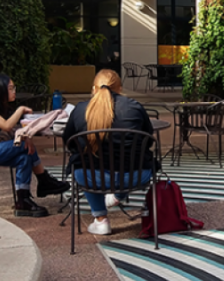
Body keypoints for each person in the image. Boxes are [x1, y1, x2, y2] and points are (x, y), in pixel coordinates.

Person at [63, 69, 156, 235]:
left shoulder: (80, 110)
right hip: (134, 177)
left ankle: (101, 219)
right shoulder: (134, 107)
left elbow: (69, 142)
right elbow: (147, 140)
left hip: (92, 177)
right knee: (132, 160)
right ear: (119, 88)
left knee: (83, 164)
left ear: (94, 88)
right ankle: (117, 196)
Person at [0, 73, 70, 218]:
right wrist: (20, 109)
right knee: (24, 147)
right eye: (10, 88)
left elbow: (13, 129)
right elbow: (7, 126)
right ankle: (44, 180)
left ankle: (23, 200)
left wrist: (25, 137)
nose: (14, 91)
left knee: (25, 157)